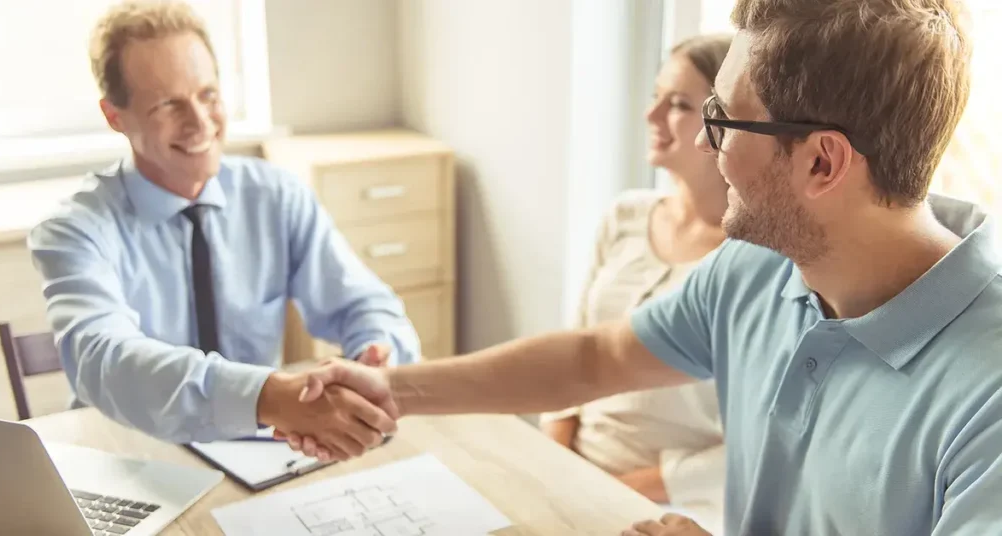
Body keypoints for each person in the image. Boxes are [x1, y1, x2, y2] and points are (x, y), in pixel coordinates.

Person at [282, 0, 1002, 534]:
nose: (708, 146)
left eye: (720, 120)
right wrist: (390, 388)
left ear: (822, 161)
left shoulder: (988, 395)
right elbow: (597, 357)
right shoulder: (759, 267)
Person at [26, 0, 410, 455]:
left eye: (208, 94)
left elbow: (364, 303)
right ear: (115, 117)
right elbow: (105, 360)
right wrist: (266, 395)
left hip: (263, 447)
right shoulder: (75, 230)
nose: (200, 122)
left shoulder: (276, 196)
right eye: (169, 104)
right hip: (129, 455)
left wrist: (373, 356)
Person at [538, 35, 731, 531]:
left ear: (726, 127)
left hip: (675, 507)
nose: (651, 116)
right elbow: (573, 354)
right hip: (572, 473)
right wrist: (551, 467)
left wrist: (630, 490)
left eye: (680, 105)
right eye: (656, 96)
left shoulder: (756, 260)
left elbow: (768, 444)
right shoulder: (625, 215)